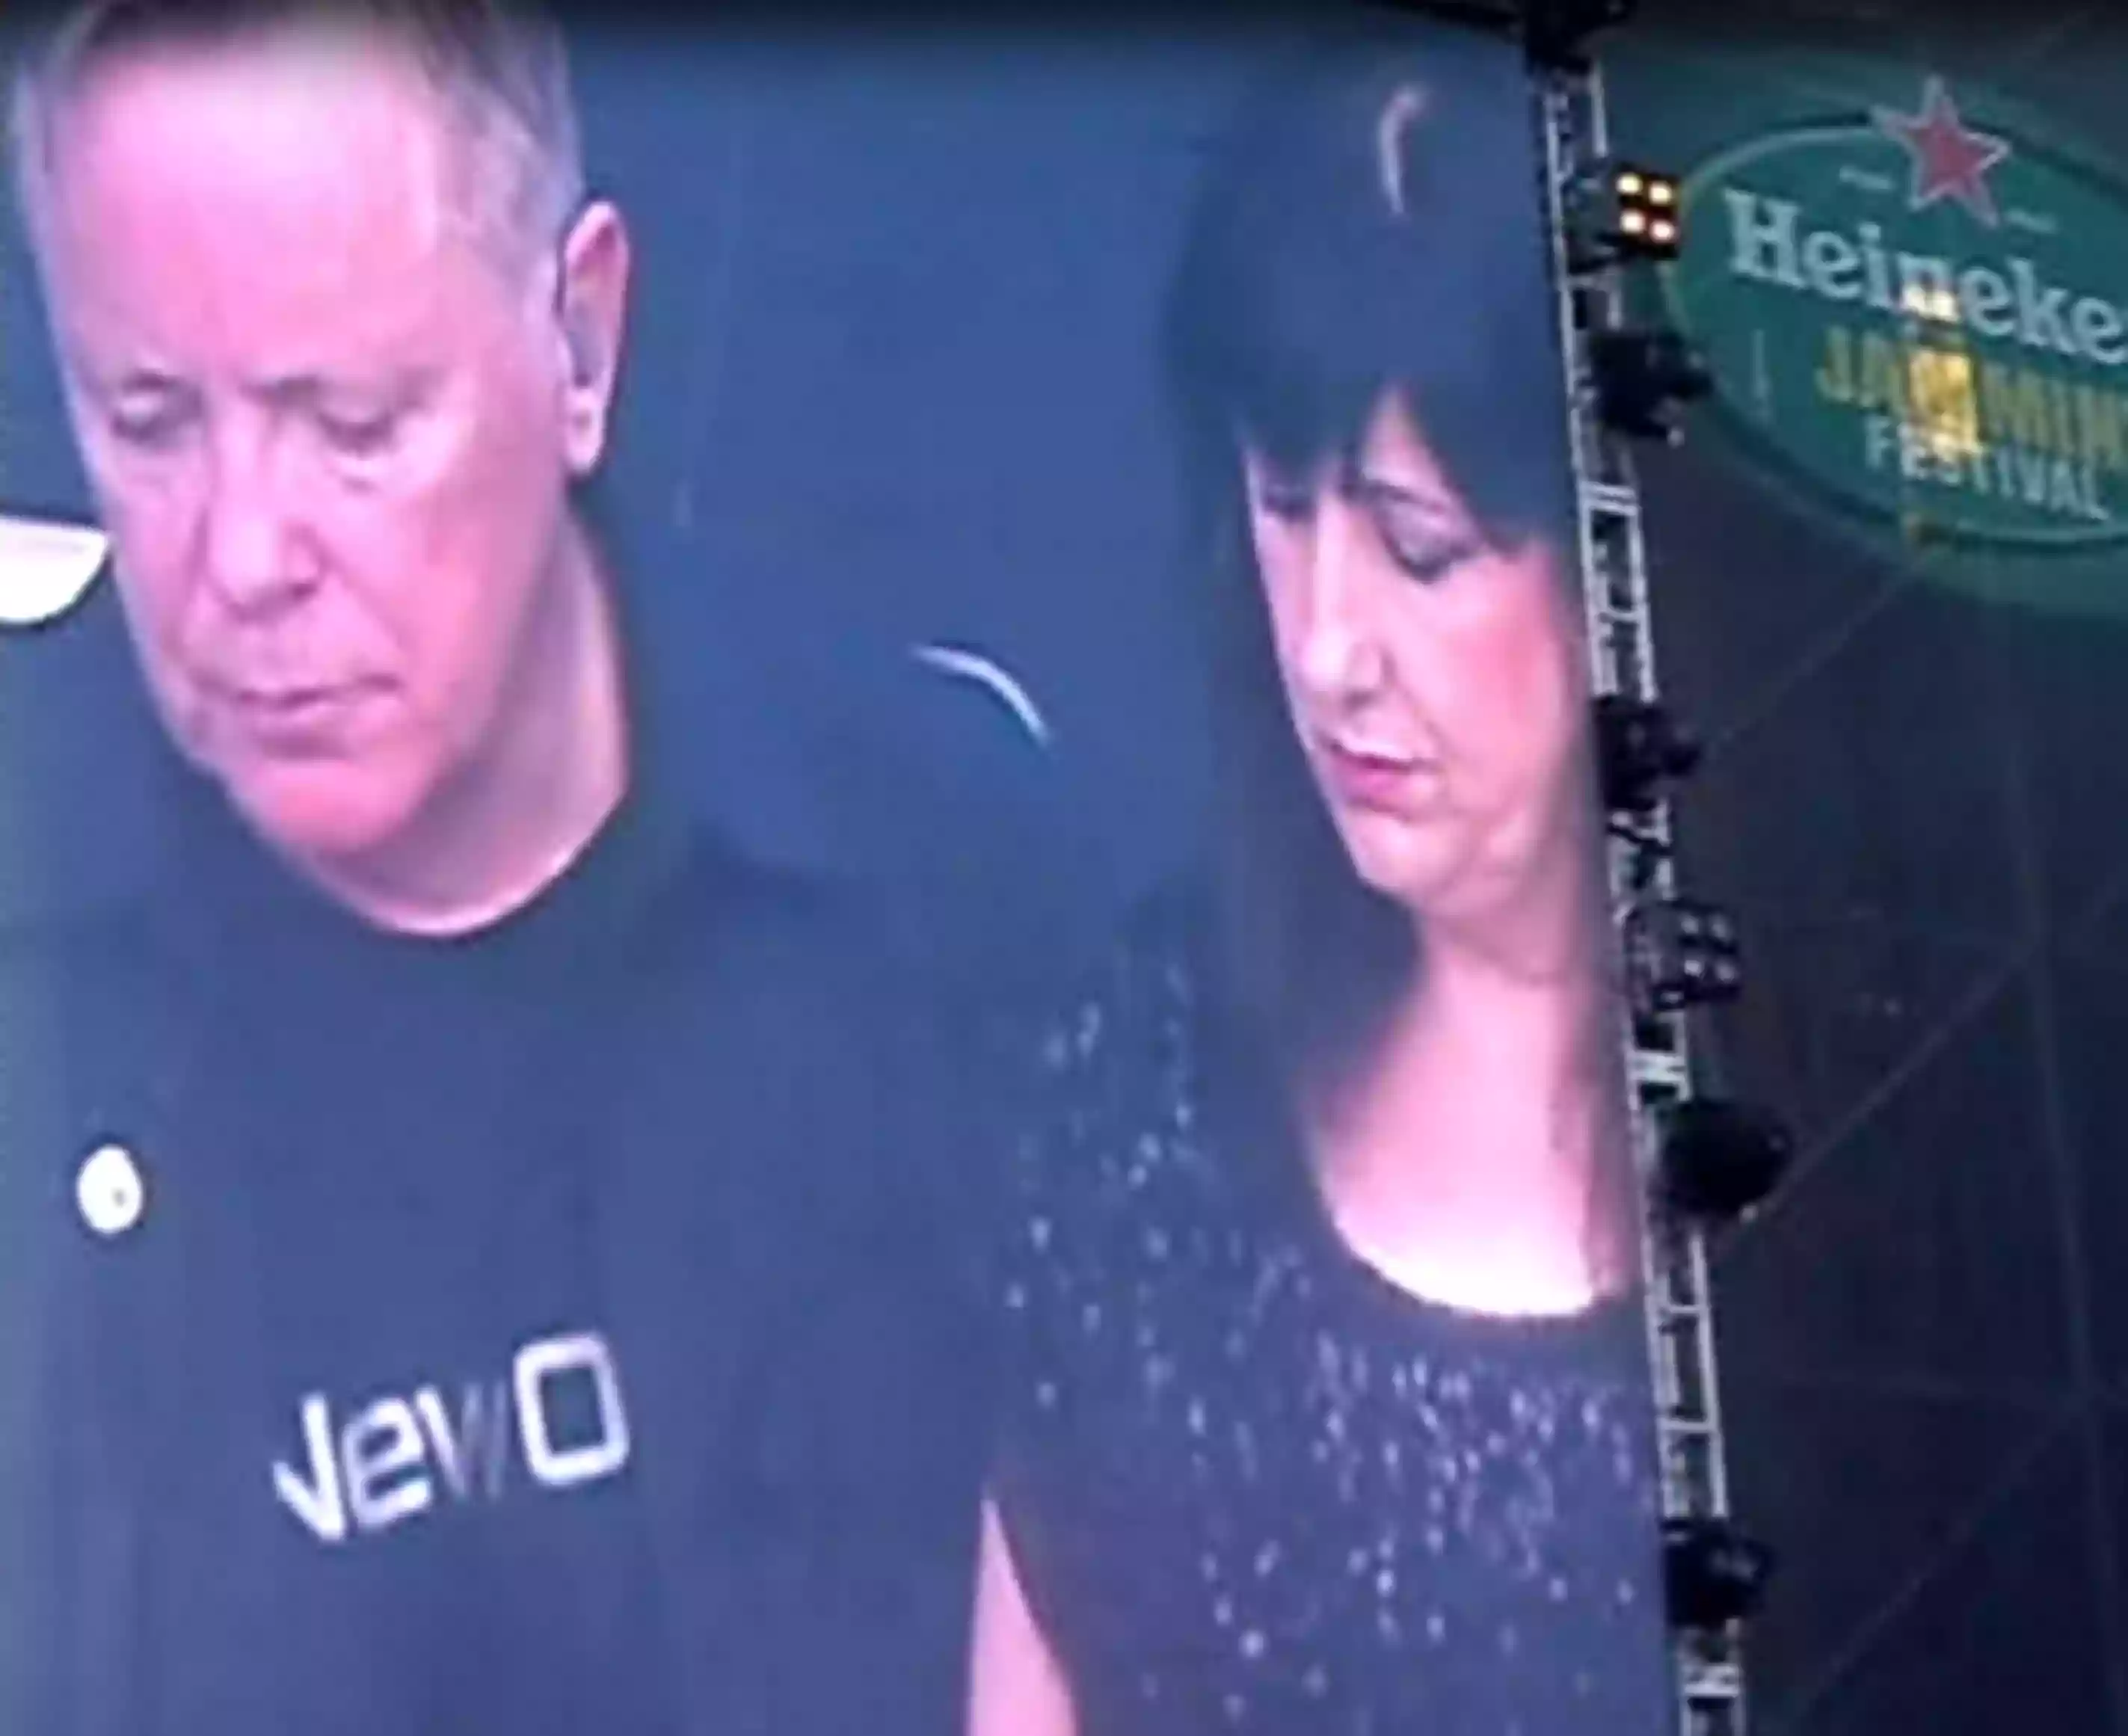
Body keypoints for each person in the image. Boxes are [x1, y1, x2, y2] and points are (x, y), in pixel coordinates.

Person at [0, 3, 1024, 1732]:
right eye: (150, 421)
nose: (242, 556)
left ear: (581, 340)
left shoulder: (948, 874)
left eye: (350, 422)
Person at [968, 38, 1676, 1736]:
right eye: (1283, 511)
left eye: (1421, 547)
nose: (1329, 645)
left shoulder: (1870, 1174)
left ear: (1621, 546)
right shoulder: (1143, 1065)